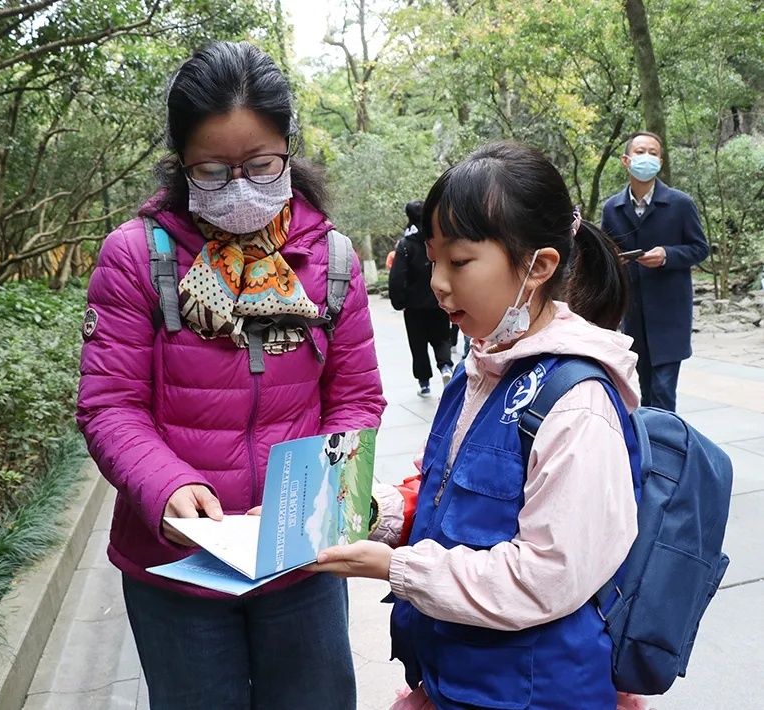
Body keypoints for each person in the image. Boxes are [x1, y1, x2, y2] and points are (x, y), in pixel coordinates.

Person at [76, 41, 385, 710]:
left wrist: (330, 498)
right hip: (175, 569)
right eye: (213, 170)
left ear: (288, 148)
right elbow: (109, 404)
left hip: (299, 560)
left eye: (260, 164)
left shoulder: (328, 258)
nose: (239, 187)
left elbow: (355, 396)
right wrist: (166, 485)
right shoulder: (137, 257)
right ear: (181, 161)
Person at [312, 141, 650, 710]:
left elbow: (546, 576)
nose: (438, 282)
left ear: (538, 267)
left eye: (460, 262)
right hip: (463, 679)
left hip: (534, 691)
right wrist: (358, 512)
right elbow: (446, 494)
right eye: (432, 257)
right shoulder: (481, 370)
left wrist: (397, 568)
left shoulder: (577, 406)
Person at [602, 131, 709, 411]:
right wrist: (614, 259)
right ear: (626, 160)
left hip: (670, 314)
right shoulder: (612, 208)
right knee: (646, 391)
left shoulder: (680, 204)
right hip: (633, 314)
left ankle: (666, 450)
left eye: (653, 152)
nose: (646, 157)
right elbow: (604, 256)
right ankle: (652, 446)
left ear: (660, 161)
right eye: (640, 152)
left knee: (663, 392)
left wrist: (667, 255)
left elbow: (700, 248)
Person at [389, 200, 453, 396]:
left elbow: (398, 276)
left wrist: (399, 301)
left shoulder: (406, 246)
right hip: (439, 302)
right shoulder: (439, 242)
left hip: (414, 307)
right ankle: (445, 367)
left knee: (418, 345)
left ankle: (424, 383)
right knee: (442, 338)